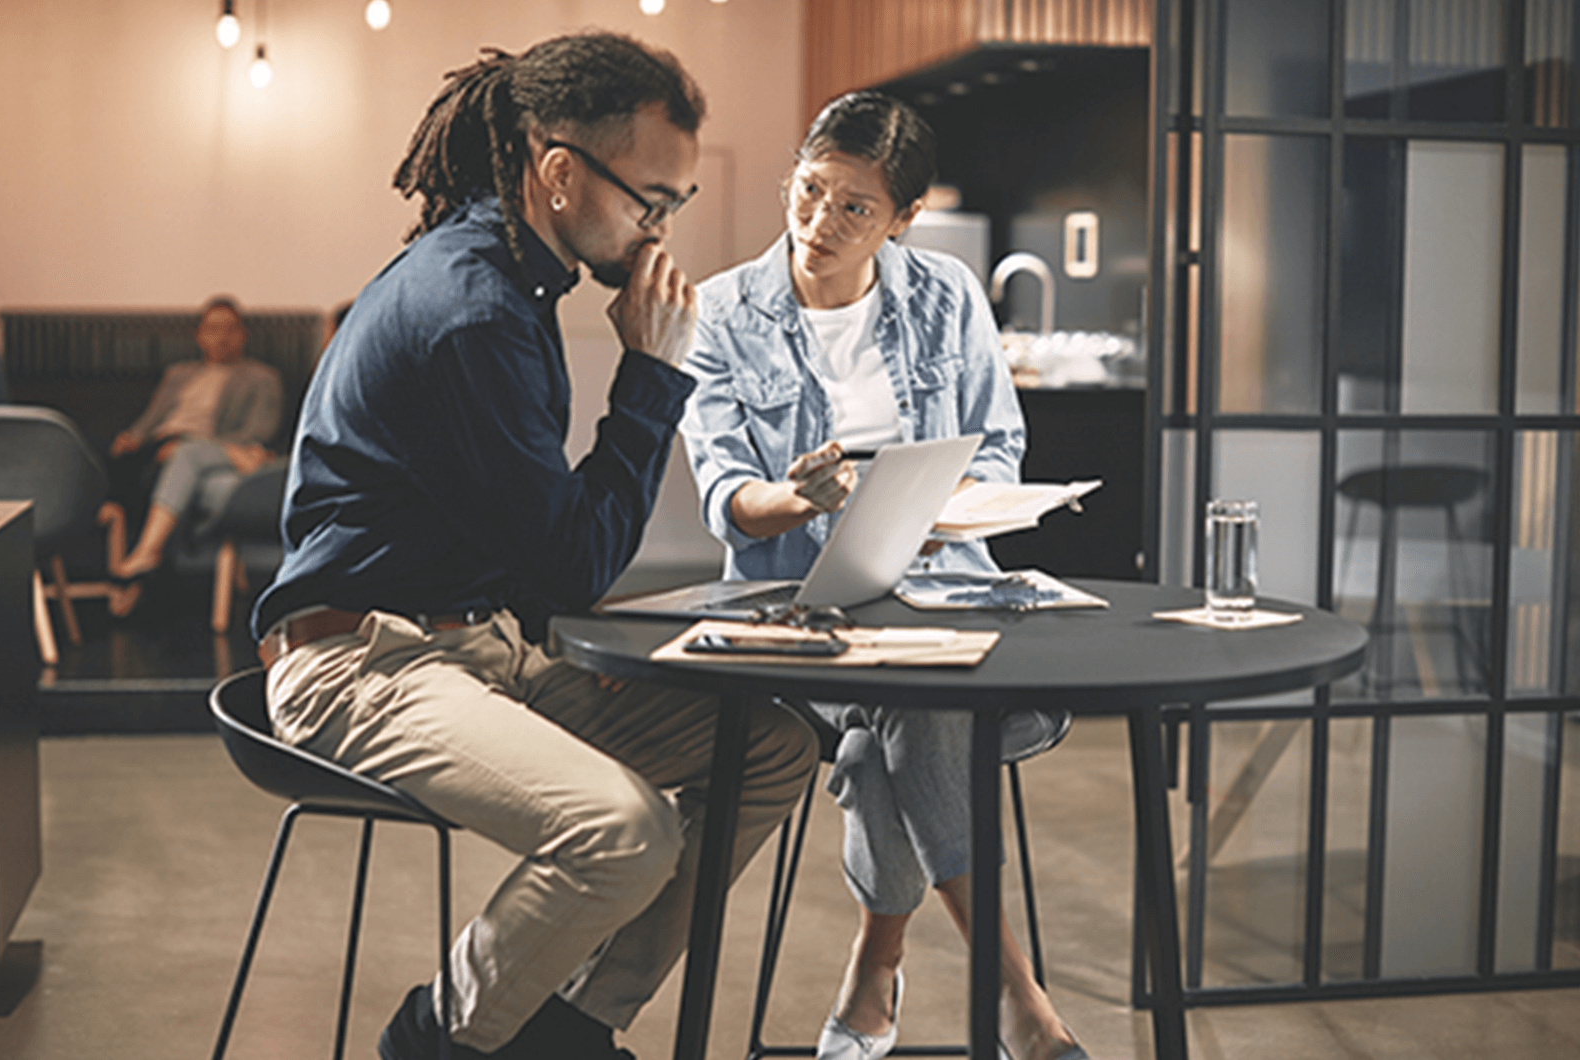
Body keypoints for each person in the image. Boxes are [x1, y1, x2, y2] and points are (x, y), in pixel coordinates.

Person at [248, 34, 816, 1060]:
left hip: (475, 649)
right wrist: (651, 374)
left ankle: (564, 1028)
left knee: (769, 745)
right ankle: (441, 1037)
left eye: (673, 206)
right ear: (558, 173)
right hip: (358, 663)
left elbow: (515, 532)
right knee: (624, 829)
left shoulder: (516, 280)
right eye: (651, 199)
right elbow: (572, 558)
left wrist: (555, 629)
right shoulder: (472, 310)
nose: (658, 230)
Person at [679, 92, 1089, 1060]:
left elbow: (995, 451)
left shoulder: (945, 293)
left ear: (902, 219)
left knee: (885, 744)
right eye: (810, 190)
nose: (819, 222)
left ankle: (876, 961)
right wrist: (804, 502)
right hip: (794, 616)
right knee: (908, 712)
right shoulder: (724, 311)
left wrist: (938, 514)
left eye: (854, 208)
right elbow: (724, 493)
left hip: (943, 594)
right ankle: (1015, 995)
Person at [105, 297, 281, 602]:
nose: (221, 337)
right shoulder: (179, 374)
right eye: (212, 329)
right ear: (199, 336)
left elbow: (259, 433)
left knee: (188, 454)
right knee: (180, 457)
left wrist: (193, 446)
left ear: (243, 335)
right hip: (162, 450)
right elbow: (150, 421)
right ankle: (142, 569)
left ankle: (146, 556)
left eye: (230, 329)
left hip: (205, 450)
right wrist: (132, 437)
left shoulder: (260, 377)